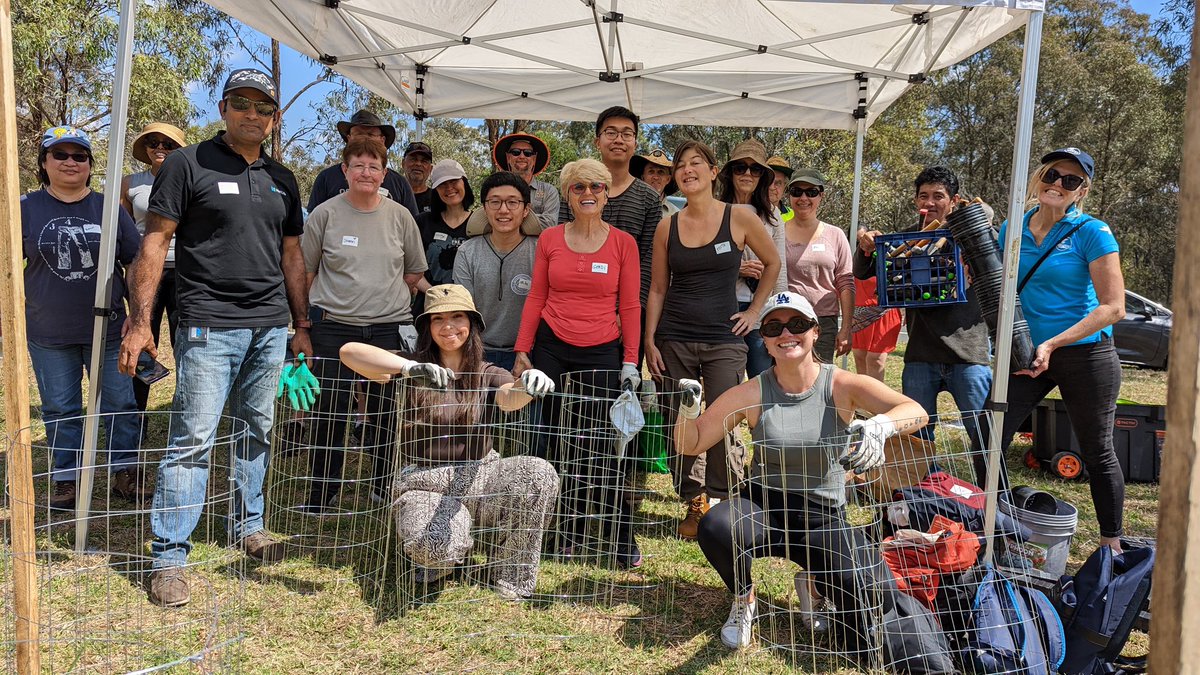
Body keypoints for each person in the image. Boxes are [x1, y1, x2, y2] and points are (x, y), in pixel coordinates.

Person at [119, 68, 309, 607]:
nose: (254, 114)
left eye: (264, 108)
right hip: (206, 322)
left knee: (257, 428)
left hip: (270, 325)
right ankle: (169, 558)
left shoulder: (283, 178)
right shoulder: (186, 163)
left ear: (274, 119)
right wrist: (139, 322)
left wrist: (301, 326)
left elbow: (291, 255)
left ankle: (248, 528)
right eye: (243, 104)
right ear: (224, 108)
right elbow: (153, 245)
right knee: (192, 439)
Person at [677, 292, 928, 650]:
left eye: (797, 324)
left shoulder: (840, 384)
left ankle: (814, 585)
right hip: (763, 506)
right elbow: (692, 443)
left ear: (814, 332)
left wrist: (882, 426)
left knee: (875, 599)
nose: (786, 334)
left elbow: (915, 410)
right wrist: (687, 412)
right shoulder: (753, 391)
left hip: (822, 514)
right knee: (716, 526)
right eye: (773, 327)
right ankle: (744, 600)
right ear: (763, 338)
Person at [340, 284, 559, 600]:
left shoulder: (486, 371)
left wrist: (528, 386)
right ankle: (445, 552)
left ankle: (510, 576)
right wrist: (408, 367)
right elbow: (349, 352)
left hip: (480, 476)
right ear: (427, 327)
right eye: (438, 319)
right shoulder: (411, 366)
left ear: (472, 324)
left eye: (457, 317)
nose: (448, 327)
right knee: (433, 547)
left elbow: (508, 398)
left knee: (538, 473)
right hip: (423, 482)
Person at [647, 139, 782, 540]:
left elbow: (773, 262)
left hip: (725, 338)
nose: (687, 170)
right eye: (680, 165)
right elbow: (657, 288)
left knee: (723, 418)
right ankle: (694, 499)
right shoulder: (666, 225)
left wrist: (755, 311)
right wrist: (650, 340)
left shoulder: (739, 216)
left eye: (696, 163)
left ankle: (722, 499)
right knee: (680, 419)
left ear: (712, 171)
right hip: (673, 338)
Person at [515, 158, 643, 566]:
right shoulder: (550, 239)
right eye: (578, 187)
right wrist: (523, 349)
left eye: (596, 187)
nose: (588, 194)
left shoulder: (623, 243)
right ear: (568, 194)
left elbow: (630, 306)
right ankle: (562, 529)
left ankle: (619, 533)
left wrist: (630, 361)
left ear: (606, 194)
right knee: (551, 438)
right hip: (552, 345)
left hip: (603, 347)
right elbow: (536, 296)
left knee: (601, 444)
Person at [997, 148, 1125, 552]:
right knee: (989, 432)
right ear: (1039, 176)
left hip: (1084, 355)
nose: (1058, 184)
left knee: (1097, 450)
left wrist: (1054, 343)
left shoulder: (1092, 231)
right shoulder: (1011, 228)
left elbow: (1113, 307)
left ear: (1081, 190)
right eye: (1053, 174)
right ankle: (997, 523)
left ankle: (1111, 544)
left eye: (1070, 180)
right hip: (1027, 354)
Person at [299, 138, 428, 509]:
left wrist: (380, 294)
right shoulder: (324, 214)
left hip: (387, 329)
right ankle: (323, 494)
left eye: (374, 167)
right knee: (329, 412)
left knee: (385, 414)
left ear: (385, 173)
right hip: (333, 328)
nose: (366, 173)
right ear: (345, 171)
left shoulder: (400, 216)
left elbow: (414, 271)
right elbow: (306, 271)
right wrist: (302, 326)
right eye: (358, 165)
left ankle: (383, 487)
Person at [24, 125, 145, 508]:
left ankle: (125, 472)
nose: (70, 162)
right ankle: (66, 479)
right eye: (60, 154)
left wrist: (138, 316)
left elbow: (136, 261)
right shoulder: (24, 208)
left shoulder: (109, 208)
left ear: (91, 165)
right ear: (44, 163)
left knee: (120, 404)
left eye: (80, 156)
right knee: (61, 408)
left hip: (108, 330)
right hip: (48, 332)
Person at [853, 166, 991, 455]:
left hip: (968, 356)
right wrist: (865, 245)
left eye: (938, 196)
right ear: (916, 200)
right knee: (916, 439)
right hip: (920, 356)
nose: (929, 203)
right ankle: (923, 494)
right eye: (923, 196)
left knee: (984, 436)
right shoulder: (907, 241)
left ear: (954, 200)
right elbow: (863, 271)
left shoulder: (972, 237)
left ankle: (995, 493)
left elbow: (994, 240)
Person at [557, 106, 662, 310]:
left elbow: (648, 262)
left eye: (627, 134)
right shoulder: (575, 189)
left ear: (635, 142)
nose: (619, 140)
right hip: (573, 304)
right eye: (611, 132)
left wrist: (630, 310)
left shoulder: (649, 197)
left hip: (624, 309)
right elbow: (562, 246)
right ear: (598, 141)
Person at [120, 122, 187, 416]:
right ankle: (136, 419)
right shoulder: (130, 183)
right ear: (145, 149)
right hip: (144, 272)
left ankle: (185, 414)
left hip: (183, 271)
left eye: (168, 144)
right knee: (141, 341)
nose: (160, 148)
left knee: (184, 345)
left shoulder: (190, 180)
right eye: (154, 143)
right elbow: (122, 229)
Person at [454, 172, 539, 370]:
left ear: (526, 209)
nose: (503, 210)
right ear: (484, 208)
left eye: (512, 202)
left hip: (528, 353)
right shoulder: (468, 251)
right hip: (478, 352)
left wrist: (525, 349)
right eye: (495, 202)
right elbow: (464, 309)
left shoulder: (541, 251)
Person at [717, 139, 787, 380]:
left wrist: (779, 315)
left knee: (765, 381)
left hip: (760, 311)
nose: (747, 173)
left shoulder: (773, 214)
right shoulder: (715, 209)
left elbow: (780, 267)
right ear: (730, 173)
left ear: (762, 176)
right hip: (722, 308)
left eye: (755, 169)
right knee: (727, 382)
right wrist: (737, 269)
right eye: (740, 168)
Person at [783, 169, 854, 362]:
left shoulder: (835, 234)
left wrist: (846, 328)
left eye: (811, 192)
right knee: (786, 379)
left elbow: (845, 283)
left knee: (821, 378)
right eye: (797, 191)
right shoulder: (777, 233)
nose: (803, 197)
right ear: (789, 196)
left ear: (821, 195)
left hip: (823, 321)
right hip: (785, 318)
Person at [306, 110, 420, 218]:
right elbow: (314, 222)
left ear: (382, 140)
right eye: (359, 134)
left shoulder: (399, 183)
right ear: (349, 138)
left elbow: (411, 226)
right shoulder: (326, 178)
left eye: (370, 135)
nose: (365, 139)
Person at [416, 159, 474, 292]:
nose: (449, 188)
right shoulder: (422, 222)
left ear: (464, 182)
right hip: (430, 304)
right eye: (442, 184)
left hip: (468, 306)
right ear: (435, 190)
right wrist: (435, 294)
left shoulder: (480, 223)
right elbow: (411, 266)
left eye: (454, 181)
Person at [491, 133, 557, 232]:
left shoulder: (549, 191)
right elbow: (487, 218)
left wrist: (508, 220)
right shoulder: (495, 188)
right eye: (515, 152)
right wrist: (531, 219)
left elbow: (549, 224)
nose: (522, 156)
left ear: (534, 159)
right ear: (508, 158)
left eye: (528, 153)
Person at [850, 275, 902, 381]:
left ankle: (874, 396)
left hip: (882, 312)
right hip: (857, 313)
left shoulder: (888, 259)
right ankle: (863, 395)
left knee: (875, 359)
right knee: (859, 356)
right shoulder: (852, 260)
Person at [630, 148, 678, 219]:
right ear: (643, 177)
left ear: (668, 179)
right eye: (651, 171)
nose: (655, 177)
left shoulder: (676, 215)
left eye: (661, 172)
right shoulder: (629, 206)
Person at [403, 141, 434, 214]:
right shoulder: (393, 196)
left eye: (424, 161)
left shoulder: (438, 199)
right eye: (413, 159)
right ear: (403, 163)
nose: (418, 164)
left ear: (430, 168)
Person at [767, 156, 793, 222]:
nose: (771, 187)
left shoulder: (794, 216)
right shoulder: (750, 211)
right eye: (768, 181)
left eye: (778, 183)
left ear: (785, 188)